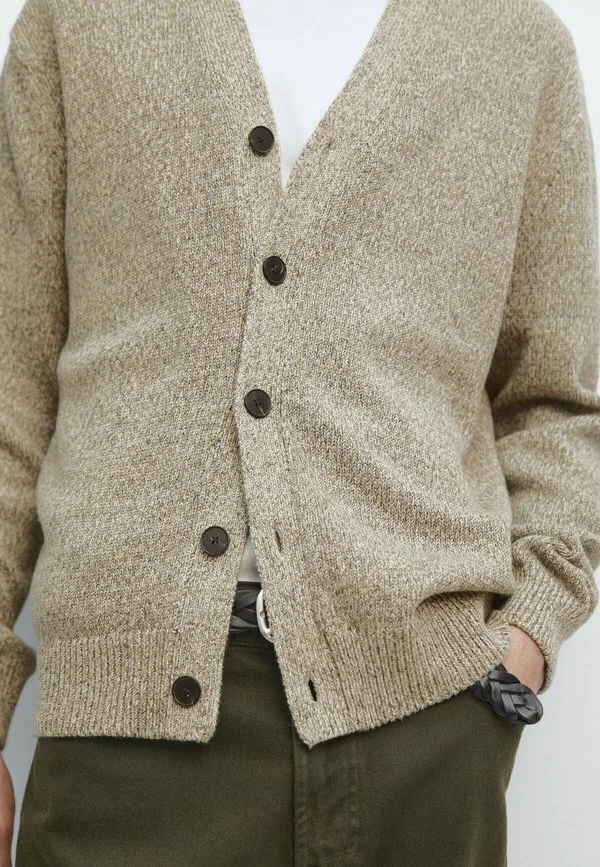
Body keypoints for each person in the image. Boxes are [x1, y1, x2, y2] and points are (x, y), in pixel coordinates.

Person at [1, 0, 598, 864]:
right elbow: (11, 388)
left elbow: (556, 400)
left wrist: (528, 636)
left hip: (425, 731)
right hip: (125, 748)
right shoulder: (80, 19)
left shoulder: (515, 43)